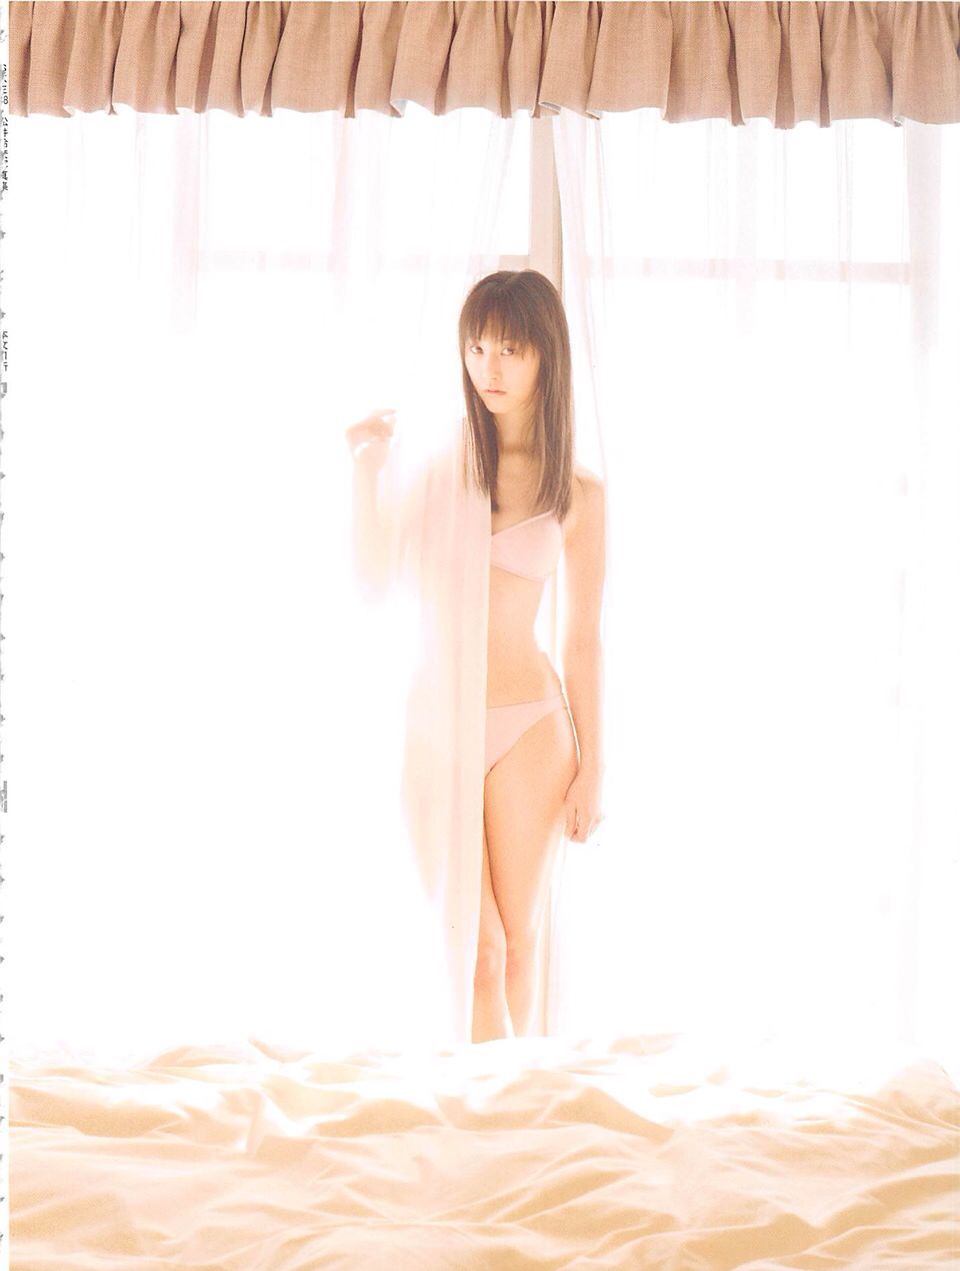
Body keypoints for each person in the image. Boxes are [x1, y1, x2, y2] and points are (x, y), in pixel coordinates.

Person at [345, 270, 606, 1043]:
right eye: (478, 347)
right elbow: (373, 577)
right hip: (438, 726)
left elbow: (583, 637)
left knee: (518, 947)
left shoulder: (579, 493)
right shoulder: (443, 469)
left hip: (533, 729)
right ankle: (490, 1101)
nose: (490, 366)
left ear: (545, 356)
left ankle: (516, 1104)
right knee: (478, 953)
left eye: (510, 349)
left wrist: (595, 766)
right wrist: (365, 470)